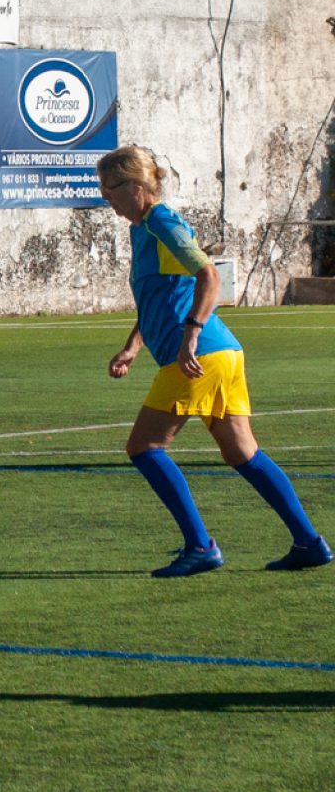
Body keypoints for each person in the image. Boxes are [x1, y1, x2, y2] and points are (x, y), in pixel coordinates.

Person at [98, 145, 332, 577]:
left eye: (109, 188)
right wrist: (134, 345)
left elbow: (210, 276)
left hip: (199, 355)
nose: (104, 197)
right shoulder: (143, 228)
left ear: (134, 186)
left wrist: (190, 334)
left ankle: (200, 545)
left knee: (144, 447)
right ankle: (309, 542)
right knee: (243, 453)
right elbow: (162, 296)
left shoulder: (161, 223)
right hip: (220, 353)